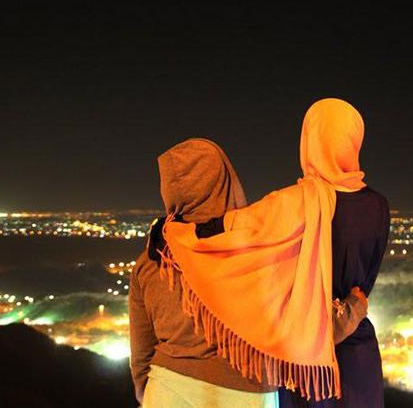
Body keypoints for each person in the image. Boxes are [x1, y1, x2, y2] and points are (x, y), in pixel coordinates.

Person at [161, 98, 389, 407]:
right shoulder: (378, 206)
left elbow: (231, 232)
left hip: (305, 361)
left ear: (309, 139)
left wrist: (174, 232)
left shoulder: (293, 203)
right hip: (358, 350)